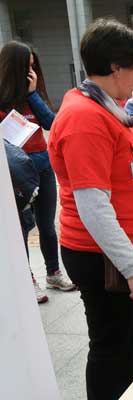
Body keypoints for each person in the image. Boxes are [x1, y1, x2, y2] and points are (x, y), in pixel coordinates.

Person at [48, 19, 133, 399]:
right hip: (103, 256)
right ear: (116, 67)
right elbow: (93, 205)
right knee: (112, 347)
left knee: (123, 344)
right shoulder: (85, 118)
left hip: (115, 250)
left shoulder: (104, 108)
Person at [0, 41, 75, 303]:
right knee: (22, 226)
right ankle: (27, 279)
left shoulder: (33, 94)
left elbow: (52, 124)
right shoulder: (3, 97)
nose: (31, 72)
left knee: (47, 225)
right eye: (26, 67)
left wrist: (32, 94)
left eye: (33, 66)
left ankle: (53, 272)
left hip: (42, 165)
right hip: (16, 172)